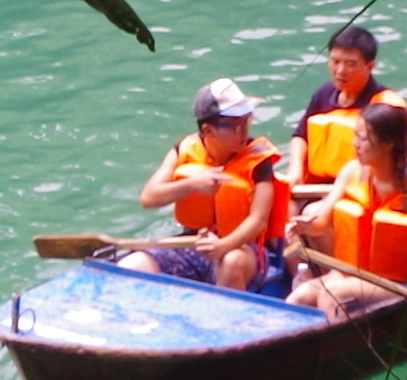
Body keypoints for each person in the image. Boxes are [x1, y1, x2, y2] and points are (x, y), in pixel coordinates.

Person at [113, 79, 291, 292]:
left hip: (243, 248)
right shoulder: (184, 150)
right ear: (208, 130)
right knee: (130, 266)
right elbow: (149, 198)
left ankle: (224, 320)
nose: (243, 130)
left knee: (231, 262)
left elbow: (258, 220)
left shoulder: (259, 161)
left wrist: (223, 246)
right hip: (193, 244)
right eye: (235, 125)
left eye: (247, 120)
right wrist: (192, 184)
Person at [292, 99, 407, 321]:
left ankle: (337, 354)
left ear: (387, 144)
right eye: (355, 136)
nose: (355, 144)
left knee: (333, 297)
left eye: (362, 138)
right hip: (363, 271)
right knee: (297, 299)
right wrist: (305, 226)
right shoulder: (352, 171)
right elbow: (321, 224)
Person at [289, 23, 406, 203]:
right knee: (283, 207)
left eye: (350, 64)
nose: (340, 71)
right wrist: (295, 170)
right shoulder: (325, 93)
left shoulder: (385, 106)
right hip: (313, 187)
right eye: (335, 61)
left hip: (357, 191)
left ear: (370, 66)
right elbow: (300, 135)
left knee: (313, 214)